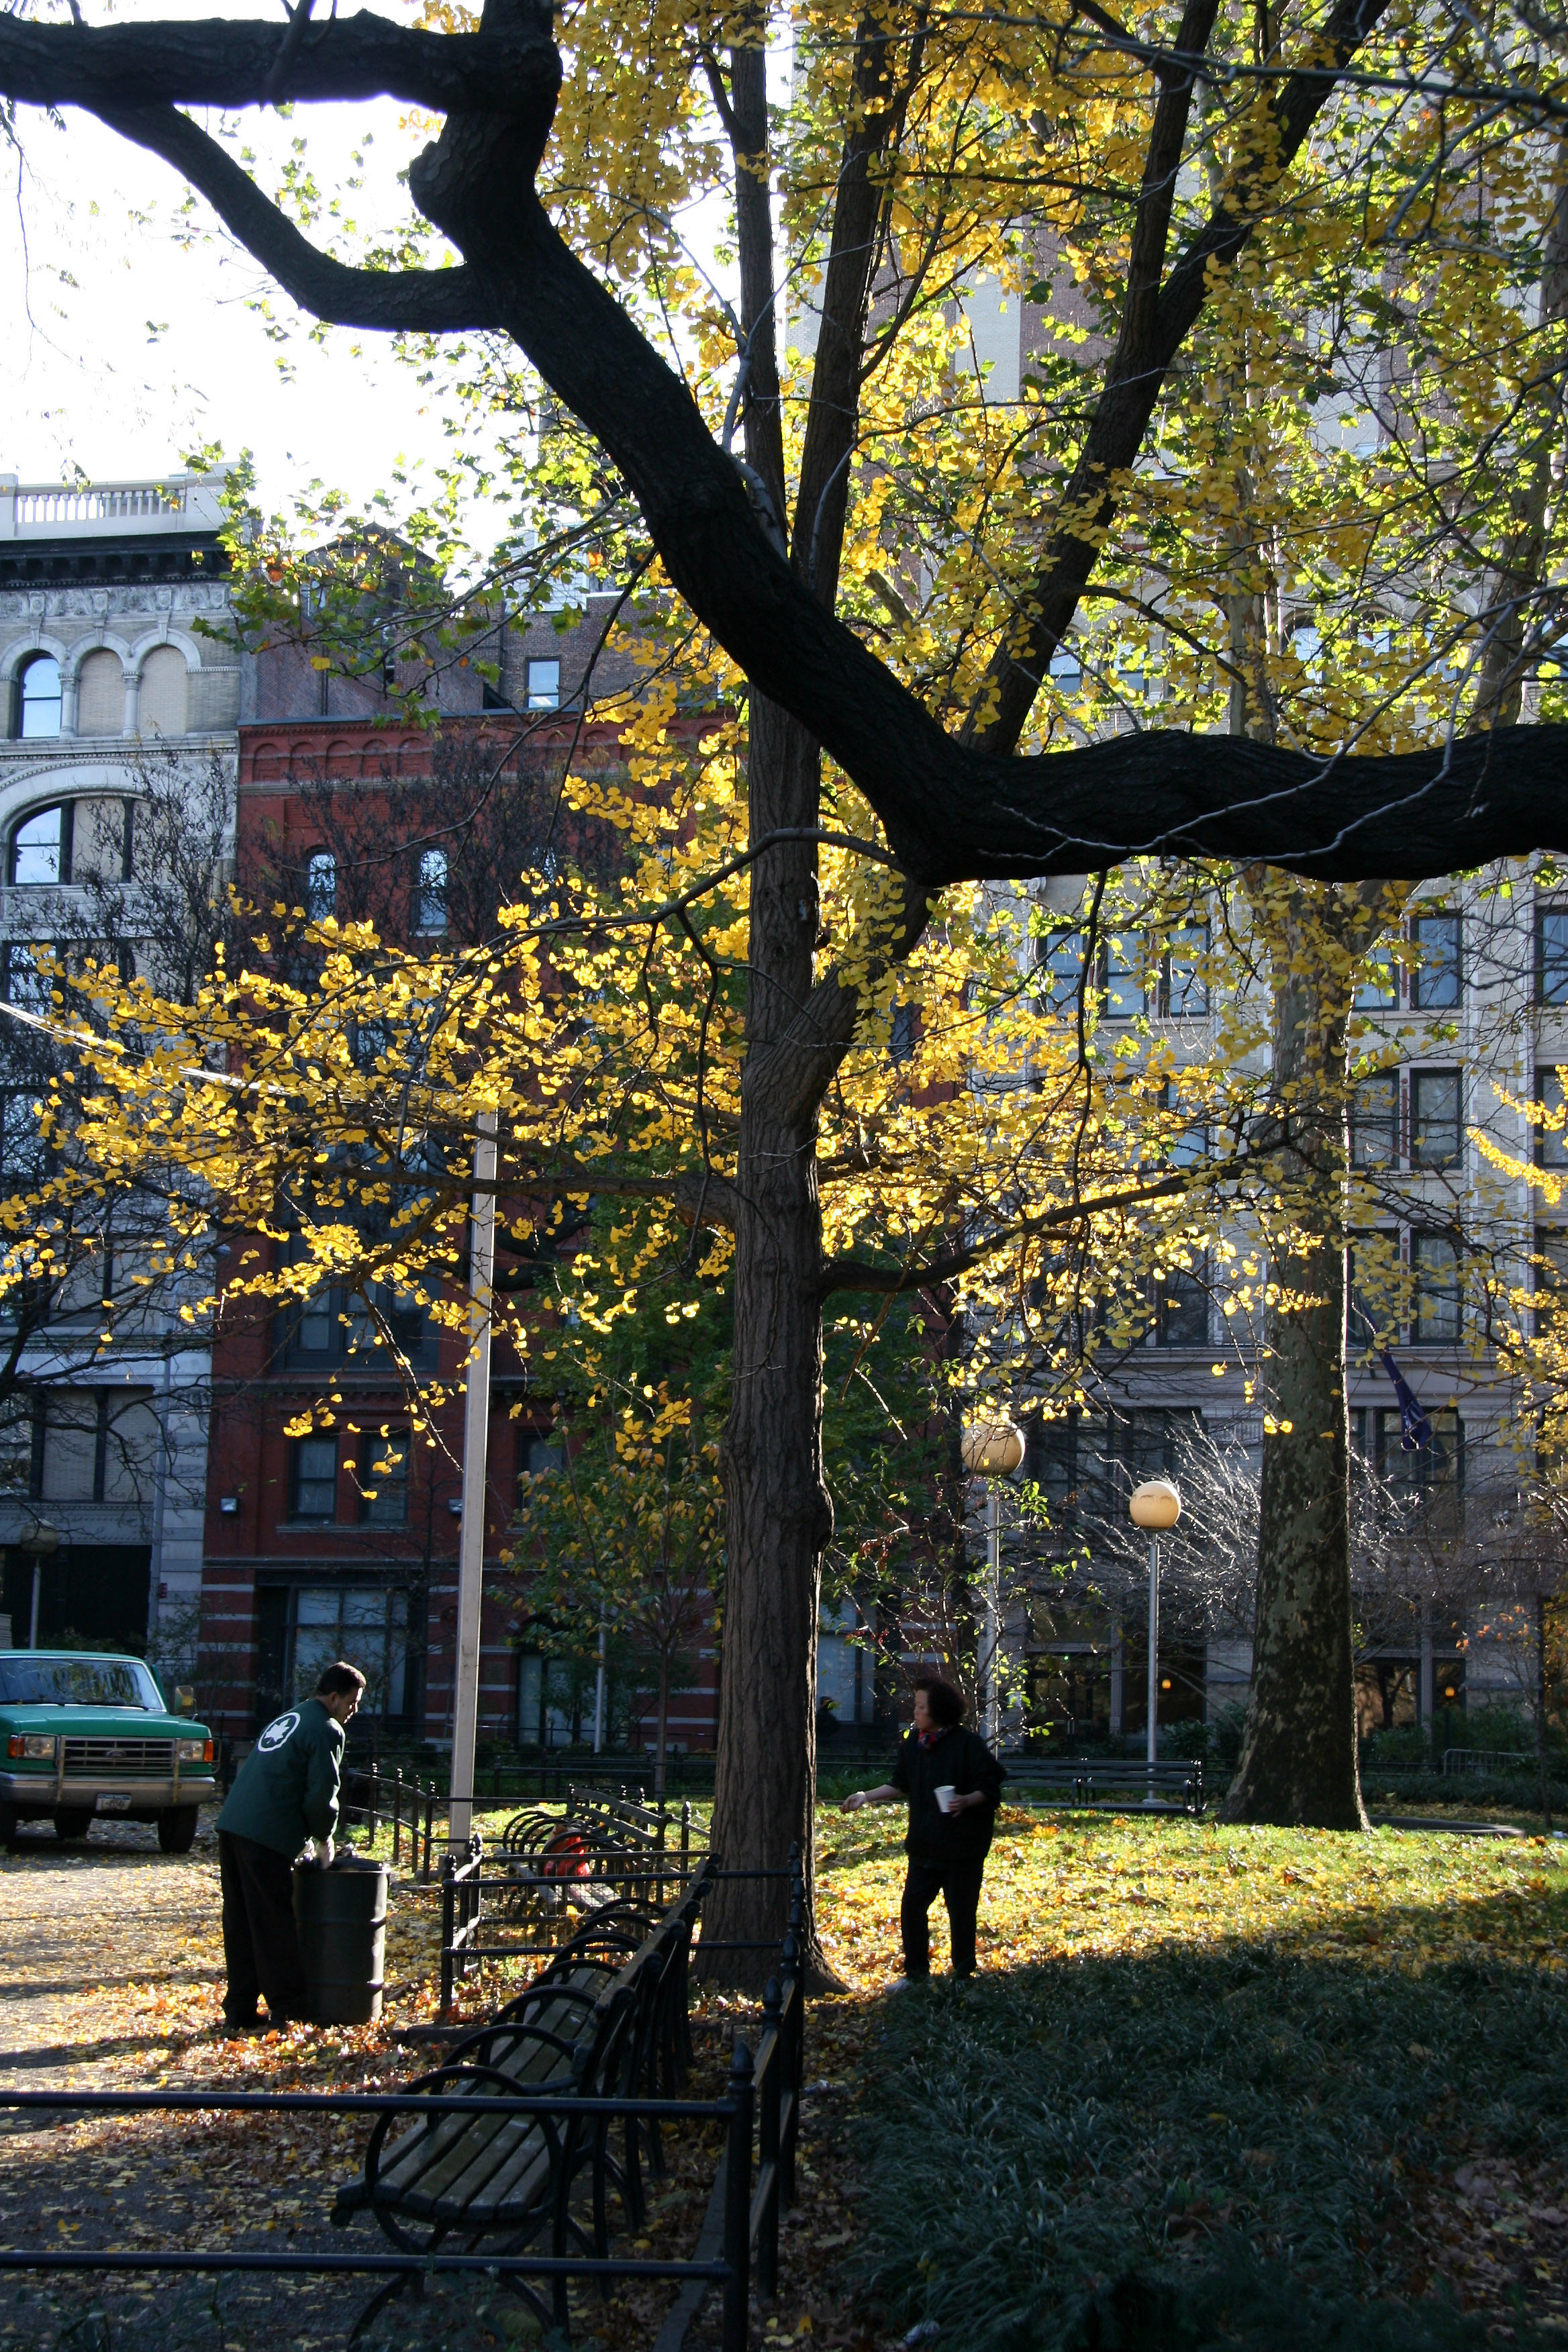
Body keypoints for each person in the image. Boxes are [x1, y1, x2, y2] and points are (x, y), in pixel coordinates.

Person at [215, 1659, 364, 2034]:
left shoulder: (293, 1717)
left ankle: (240, 2010)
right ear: (333, 1697)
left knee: (241, 1923)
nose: (355, 1711)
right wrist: (325, 1838)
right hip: (266, 1834)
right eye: (352, 1702)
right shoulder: (327, 1729)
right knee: (273, 1925)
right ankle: (291, 2009)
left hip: (233, 1825)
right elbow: (321, 1795)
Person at [841, 1675, 1006, 1986]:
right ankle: (916, 1975)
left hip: (962, 1848)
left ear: (939, 1710)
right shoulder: (914, 1745)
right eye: (915, 1705)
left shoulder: (967, 1745)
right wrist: (865, 1797)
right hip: (924, 1845)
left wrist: (966, 1800)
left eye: (921, 1706)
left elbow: (991, 1787)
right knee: (912, 1909)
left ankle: (963, 1974)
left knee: (961, 1912)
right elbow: (898, 1784)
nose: (915, 1712)